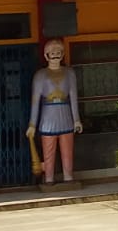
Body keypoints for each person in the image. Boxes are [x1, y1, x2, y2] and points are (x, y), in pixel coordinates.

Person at [26, 39, 82, 184]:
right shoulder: (40, 75)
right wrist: (32, 124)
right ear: (46, 56)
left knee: (67, 151)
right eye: (52, 53)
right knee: (48, 152)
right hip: (47, 117)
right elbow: (35, 101)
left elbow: (74, 97)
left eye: (58, 53)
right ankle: (49, 178)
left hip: (66, 115)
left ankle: (68, 176)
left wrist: (76, 119)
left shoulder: (70, 73)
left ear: (62, 55)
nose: (56, 56)